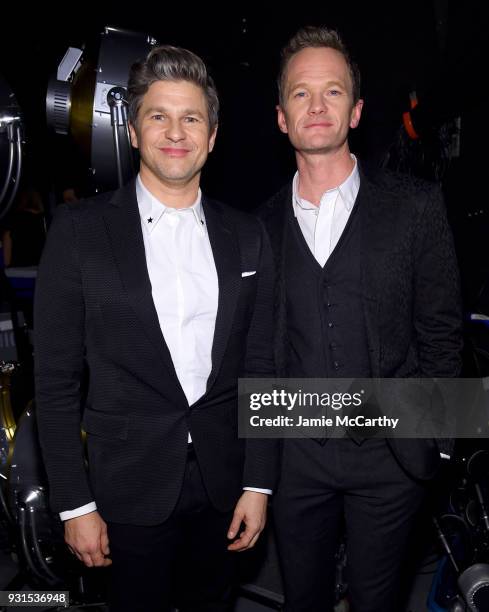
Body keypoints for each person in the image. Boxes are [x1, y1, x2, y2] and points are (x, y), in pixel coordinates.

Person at [35, 45, 278, 612]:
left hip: (224, 484)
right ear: (134, 133)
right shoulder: (78, 232)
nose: (176, 131)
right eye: (159, 116)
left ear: (212, 136)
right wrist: (75, 505)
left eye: (191, 117)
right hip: (124, 488)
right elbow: (55, 381)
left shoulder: (247, 236)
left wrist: (259, 484)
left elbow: (262, 366)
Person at [258, 26, 462, 612]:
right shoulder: (258, 228)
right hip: (295, 456)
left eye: (333, 92)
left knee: (378, 602)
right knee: (304, 601)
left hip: (392, 458)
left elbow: (442, 332)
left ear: (356, 111)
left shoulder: (416, 206)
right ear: (280, 117)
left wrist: (437, 442)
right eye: (301, 94)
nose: (317, 105)